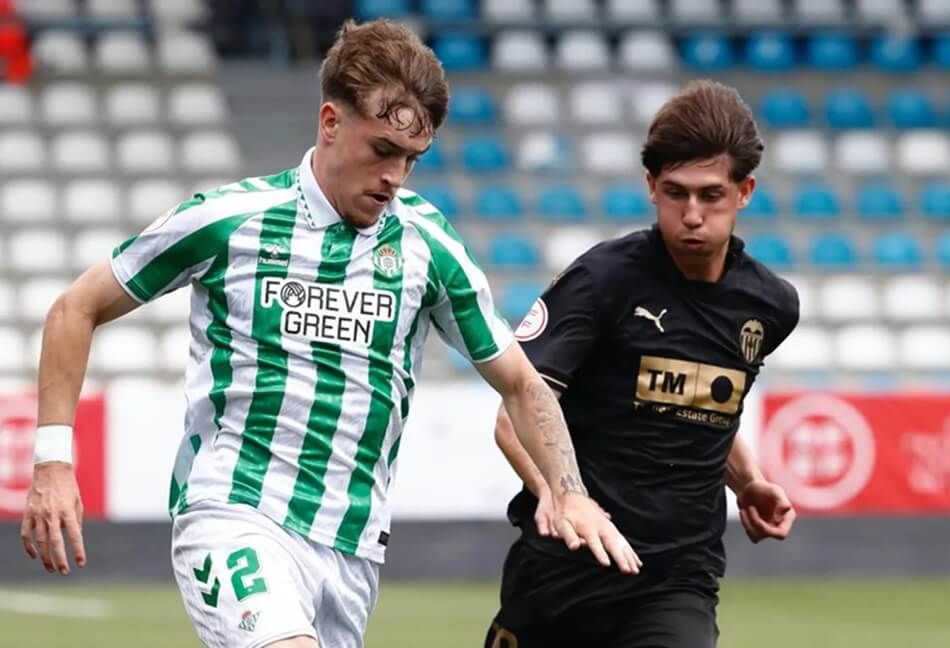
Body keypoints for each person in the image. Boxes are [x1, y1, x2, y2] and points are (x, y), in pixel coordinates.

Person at [19, 19, 640, 648]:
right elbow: (75, 308)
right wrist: (52, 462)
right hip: (234, 512)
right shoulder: (231, 221)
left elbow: (520, 383)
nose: (395, 177)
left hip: (352, 547)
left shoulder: (428, 245)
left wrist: (571, 492)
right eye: (381, 151)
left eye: (410, 159)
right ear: (330, 122)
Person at [485, 80, 800, 648]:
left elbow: (706, 405)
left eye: (711, 195)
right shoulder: (601, 282)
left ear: (745, 190)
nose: (693, 215)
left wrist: (749, 482)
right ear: (651, 187)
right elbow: (514, 417)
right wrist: (557, 496)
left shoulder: (769, 308)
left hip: (675, 580)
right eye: (676, 193)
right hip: (563, 571)